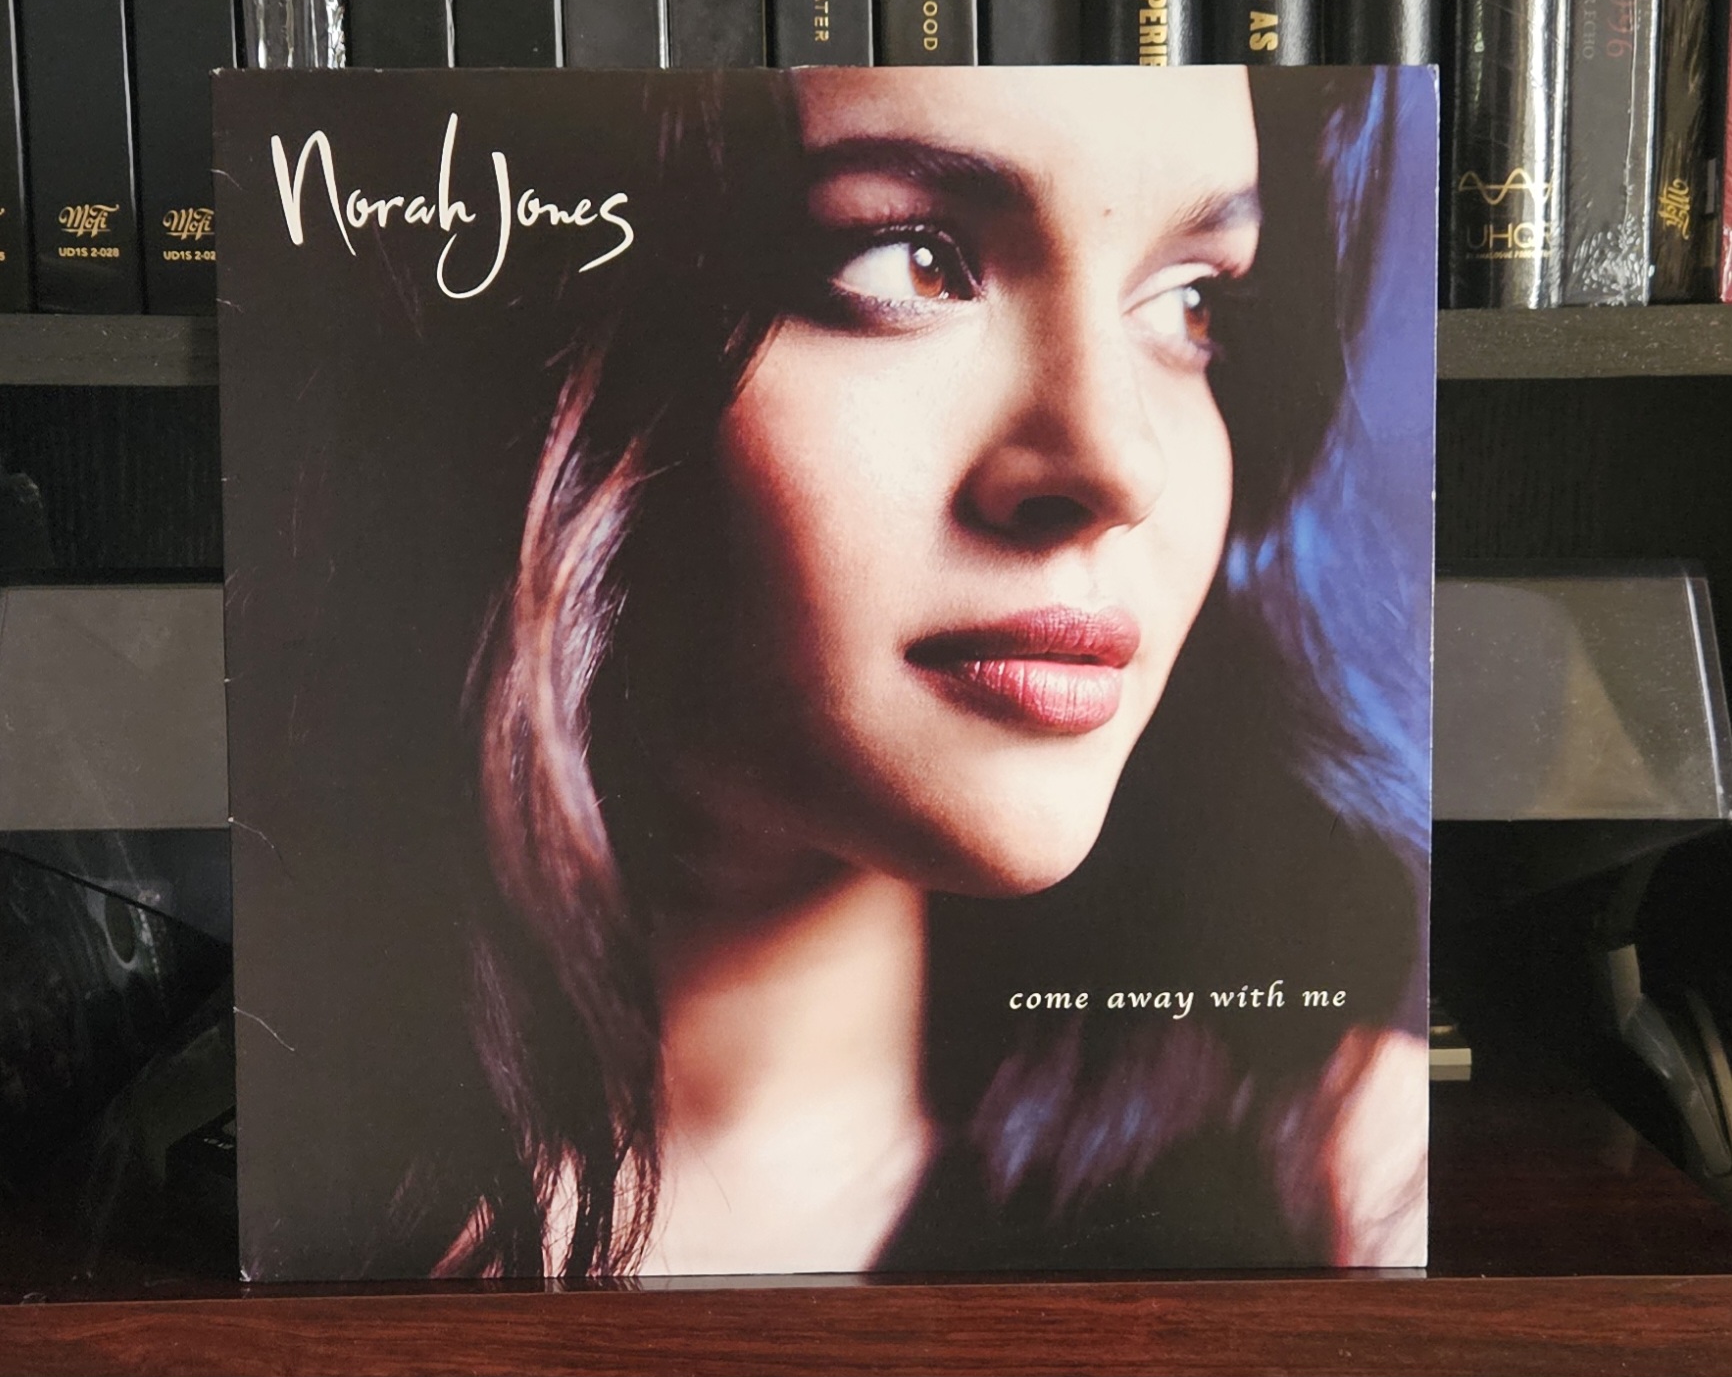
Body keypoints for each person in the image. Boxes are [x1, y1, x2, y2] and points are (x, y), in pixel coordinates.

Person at [405, 64, 1429, 1279]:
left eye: (1189, 301)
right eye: (917, 260)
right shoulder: (286, 1223)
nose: (1116, 465)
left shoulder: (1354, 1186)